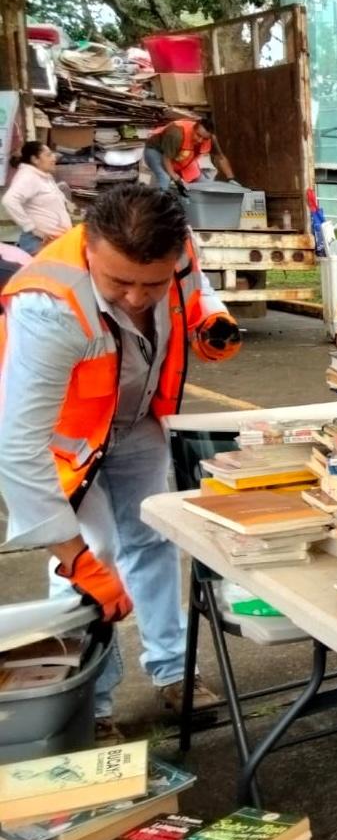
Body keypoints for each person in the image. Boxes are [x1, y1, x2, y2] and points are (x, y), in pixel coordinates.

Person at [0, 184, 243, 740]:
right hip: (69, 443)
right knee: (92, 564)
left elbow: (197, 291)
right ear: (90, 248)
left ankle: (173, 671)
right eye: (119, 283)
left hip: (137, 424)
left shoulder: (179, 254)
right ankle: (91, 704)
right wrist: (74, 557)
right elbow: (17, 448)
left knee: (154, 539)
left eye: (151, 284)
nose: (136, 298)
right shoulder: (48, 304)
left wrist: (212, 319)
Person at [3, 141, 72, 255]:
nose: (54, 158)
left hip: (53, 242)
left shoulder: (43, 176)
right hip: (39, 243)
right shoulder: (28, 176)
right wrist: (32, 228)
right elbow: (9, 200)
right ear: (35, 159)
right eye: (48, 155)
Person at [143, 116, 237, 191]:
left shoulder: (211, 139)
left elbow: (221, 158)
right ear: (193, 128)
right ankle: (157, 210)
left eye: (204, 138)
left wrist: (231, 178)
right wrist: (176, 178)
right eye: (198, 135)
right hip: (157, 151)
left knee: (205, 184)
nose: (200, 140)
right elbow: (166, 158)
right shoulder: (176, 133)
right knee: (165, 178)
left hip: (181, 156)